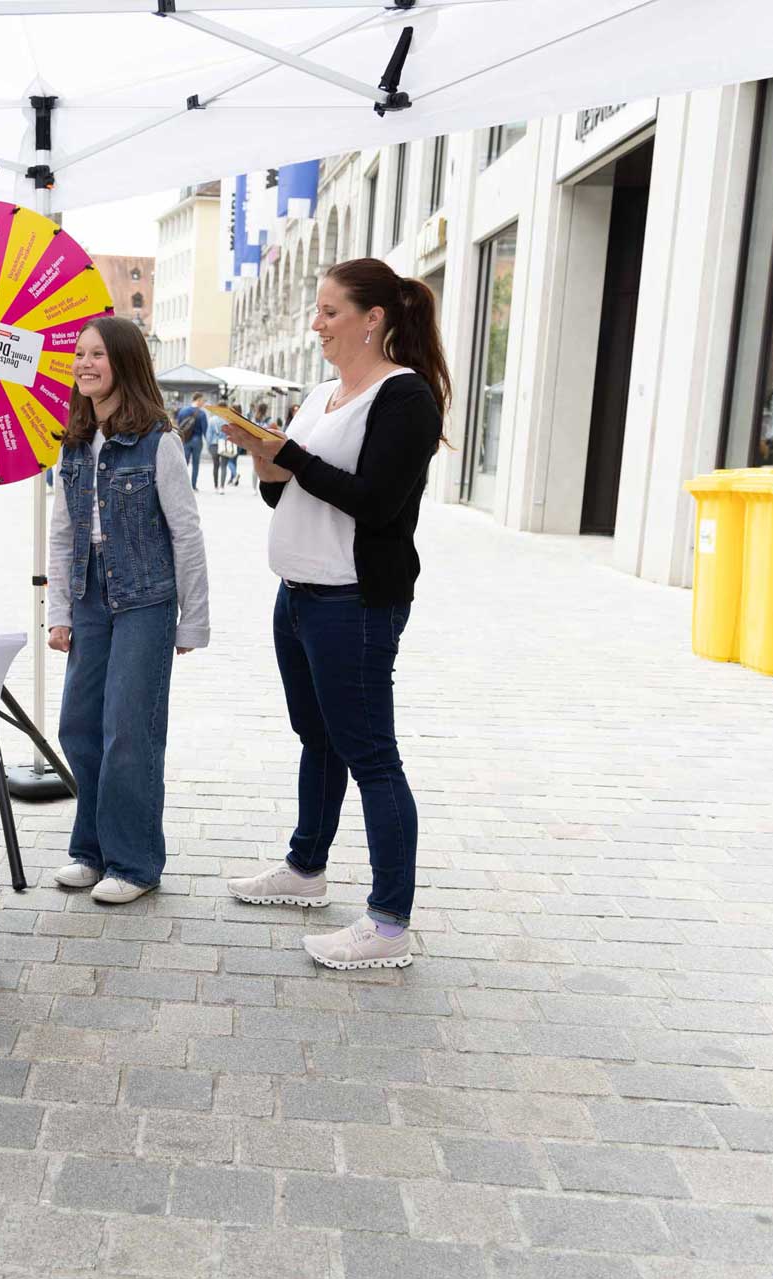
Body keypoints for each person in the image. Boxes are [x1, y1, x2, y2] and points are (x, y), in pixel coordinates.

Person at [223, 258, 448, 972]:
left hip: (353, 600)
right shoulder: (321, 393)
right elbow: (291, 494)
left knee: (372, 756)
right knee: (316, 740)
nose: (315, 324)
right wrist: (267, 464)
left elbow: (376, 501)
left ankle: (389, 923)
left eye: (328, 311)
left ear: (373, 318)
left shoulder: (406, 398)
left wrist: (291, 455)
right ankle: (305, 869)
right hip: (297, 594)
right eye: (316, 311)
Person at [47, 316, 209, 905]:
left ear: (125, 363)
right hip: (89, 597)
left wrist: (193, 620)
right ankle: (90, 851)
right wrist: (58, 612)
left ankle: (135, 862)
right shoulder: (71, 442)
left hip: (145, 600)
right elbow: (63, 533)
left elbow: (186, 534)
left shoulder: (158, 440)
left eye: (97, 355)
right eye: (79, 354)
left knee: (128, 733)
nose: (84, 363)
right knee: (80, 725)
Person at [174, 392, 208, 490]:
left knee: (184, 463)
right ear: (198, 400)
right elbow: (205, 430)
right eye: (202, 401)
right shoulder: (202, 413)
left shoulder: (183, 411)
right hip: (197, 440)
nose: (203, 403)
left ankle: (182, 485)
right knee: (195, 464)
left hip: (185, 440)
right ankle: (193, 485)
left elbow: (179, 425)